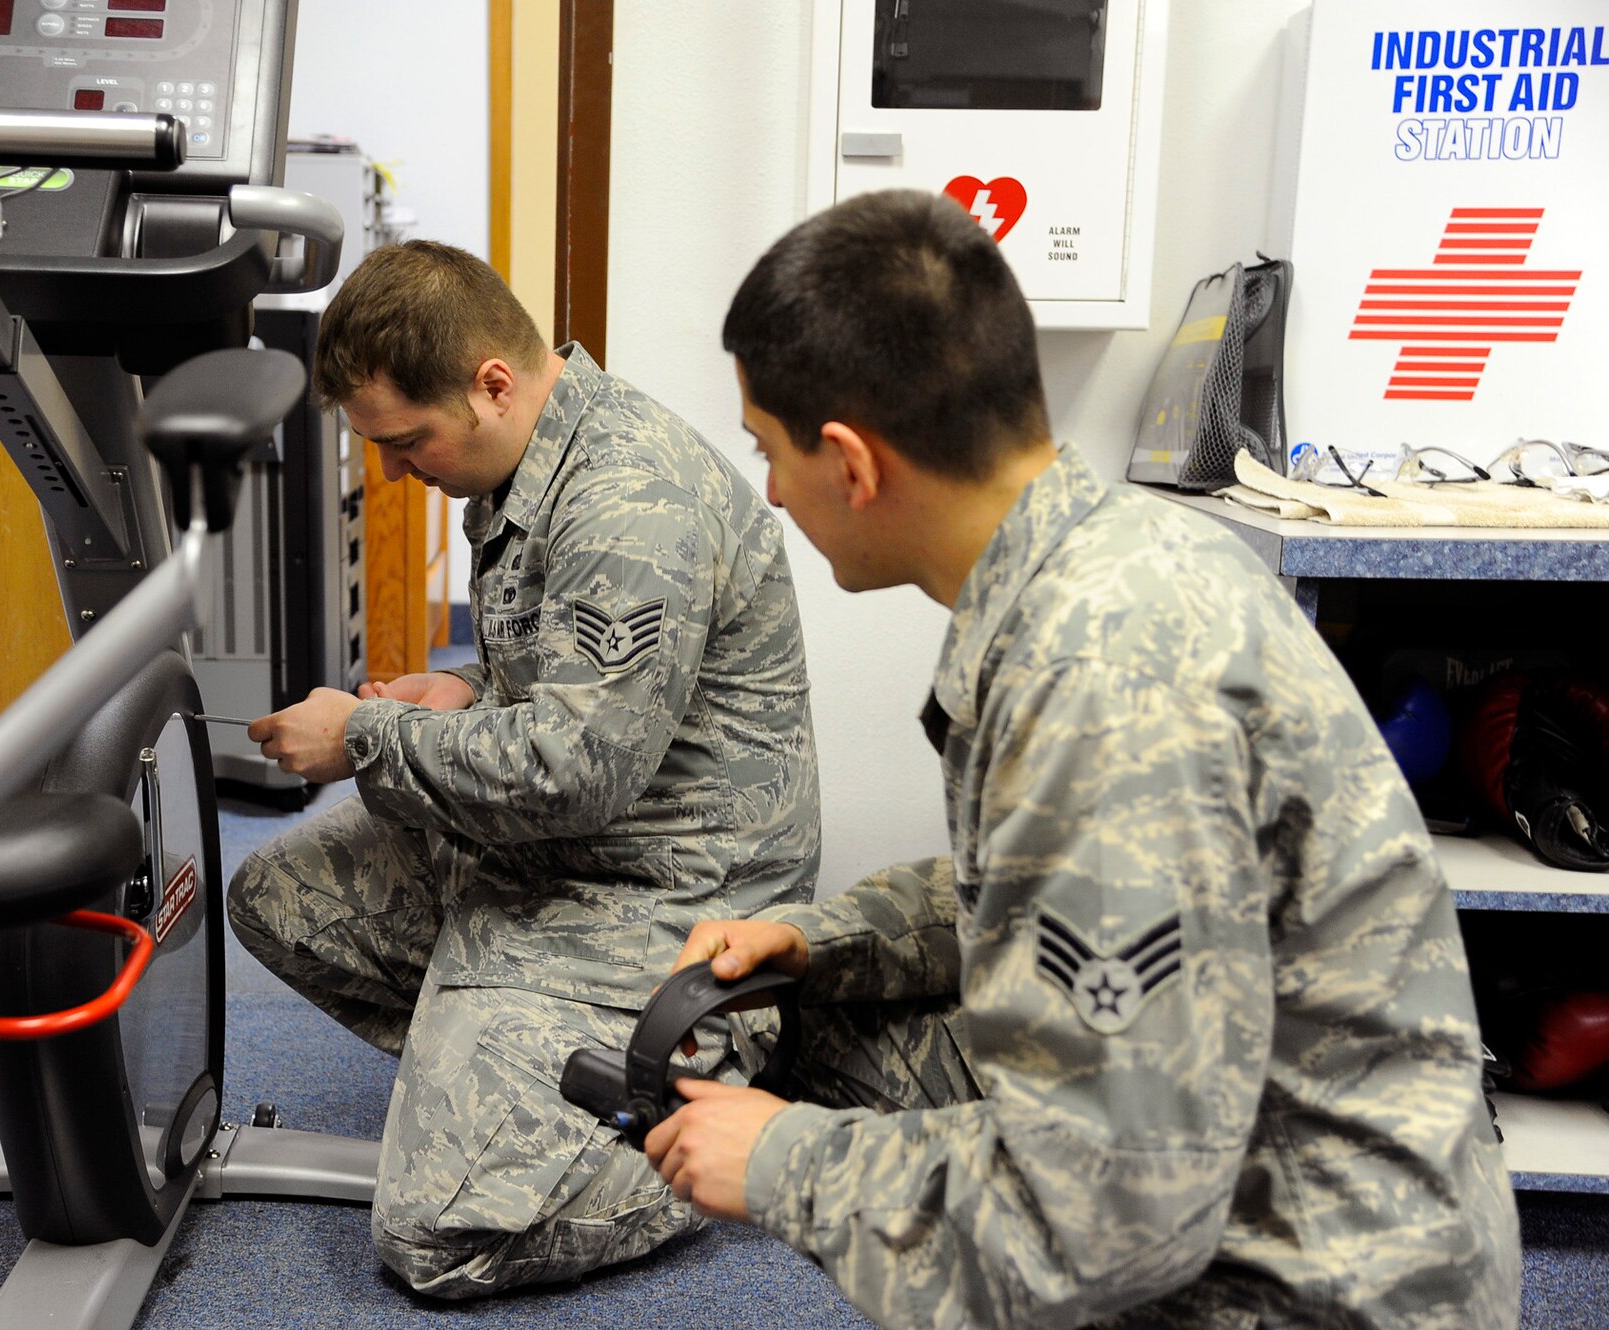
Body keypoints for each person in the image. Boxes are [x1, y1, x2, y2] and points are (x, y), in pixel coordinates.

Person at [642, 190, 1522, 1329]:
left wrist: (784, 1163)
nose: (768, 489)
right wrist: (824, 936)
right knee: (829, 1025)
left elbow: (1107, 1222)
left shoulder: (1097, 677)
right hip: (1277, 1160)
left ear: (852, 464)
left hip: (1316, 1280)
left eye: (768, 452)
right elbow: (1046, 882)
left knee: (819, 1125)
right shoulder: (1109, 557)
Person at [228, 240, 820, 1298]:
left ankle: (727, 1113)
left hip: (660, 898)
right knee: (277, 895)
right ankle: (521, 1066)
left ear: (491, 382)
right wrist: (464, 691)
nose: (393, 471)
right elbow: (568, 693)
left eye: (405, 441)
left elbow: (575, 772)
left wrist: (361, 740)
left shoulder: (629, 500)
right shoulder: (527, 461)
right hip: (545, 856)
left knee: (434, 1237)